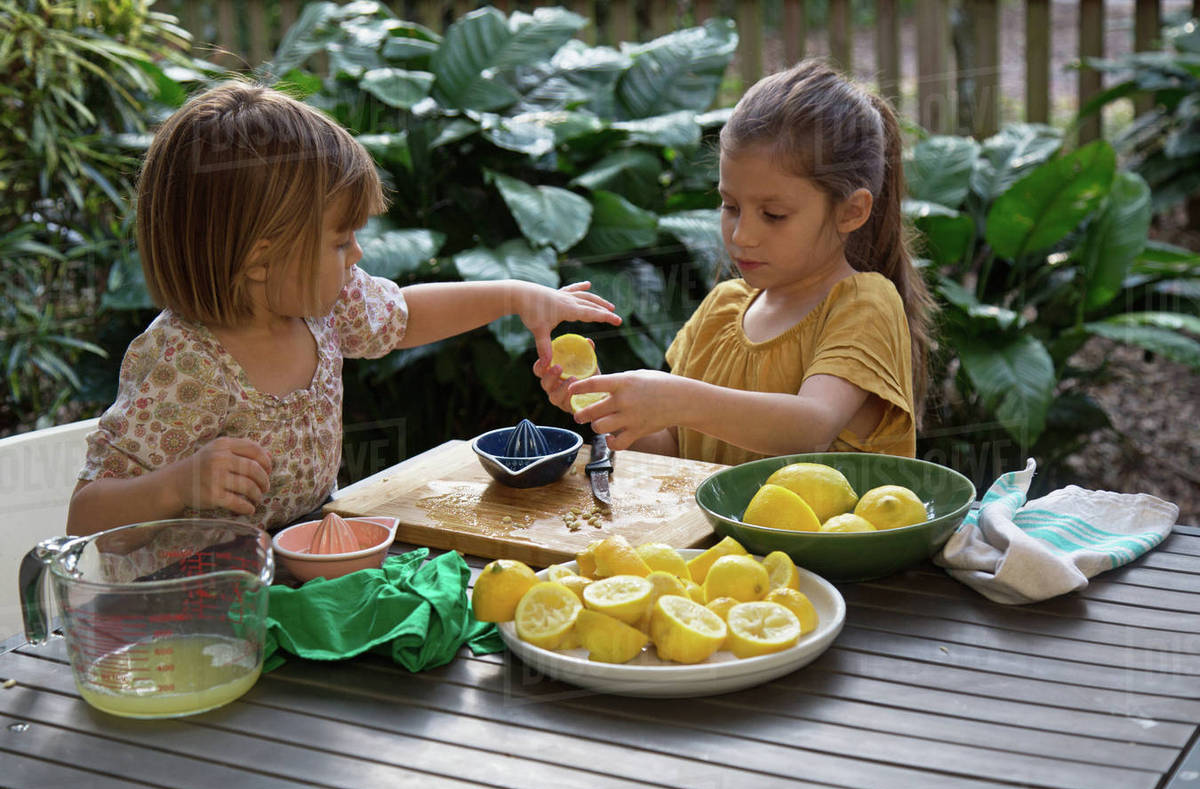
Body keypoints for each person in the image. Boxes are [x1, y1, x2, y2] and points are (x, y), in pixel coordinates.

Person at [67, 81, 620, 535]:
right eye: (339, 241)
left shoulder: (321, 306)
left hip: (297, 565)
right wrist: (177, 484)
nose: (357, 253)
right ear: (260, 259)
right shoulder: (181, 363)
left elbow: (404, 314)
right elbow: (86, 517)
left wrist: (516, 296)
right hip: (189, 615)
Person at [534, 59, 934, 464]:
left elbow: (810, 428)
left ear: (850, 211)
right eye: (730, 206)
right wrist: (603, 400)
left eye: (773, 215)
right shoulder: (721, 310)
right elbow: (677, 450)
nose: (742, 235)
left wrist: (678, 399)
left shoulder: (863, 305)